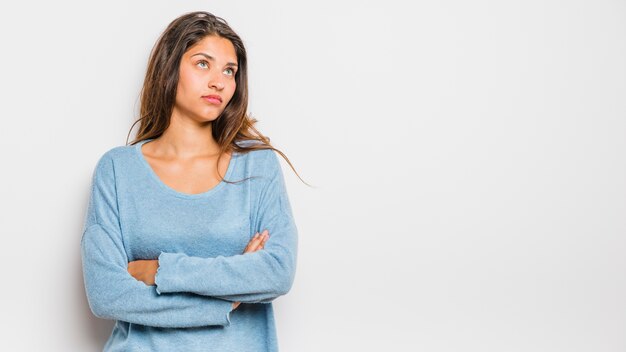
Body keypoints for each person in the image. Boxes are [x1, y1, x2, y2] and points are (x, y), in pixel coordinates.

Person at [80, 11, 305, 351]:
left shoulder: (257, 167)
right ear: (170, 68)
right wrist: (224, 303)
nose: (219, 81)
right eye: (203, 64)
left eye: (229, 71)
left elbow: (276, 271)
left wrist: (162, 270)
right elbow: (107, 294)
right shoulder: (118, 170)